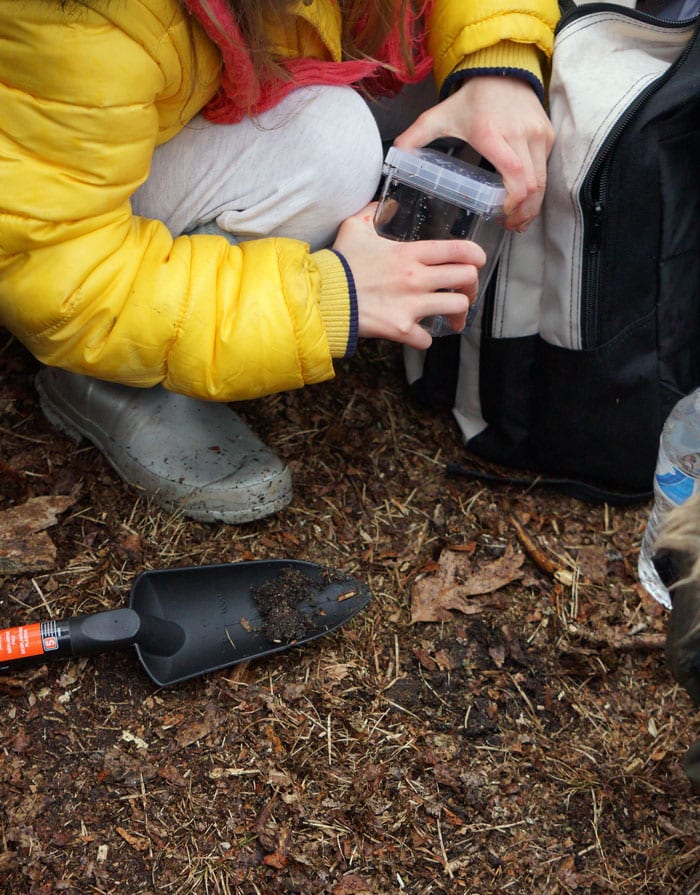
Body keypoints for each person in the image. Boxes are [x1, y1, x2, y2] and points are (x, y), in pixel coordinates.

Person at [0, 0, 559, 523]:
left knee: (438, 94)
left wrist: (496, 62)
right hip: (56, 199)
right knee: (336, 145)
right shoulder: (90, 22)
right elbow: (64, 273)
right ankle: (115, 381)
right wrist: (328, 296)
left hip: (146, 106)